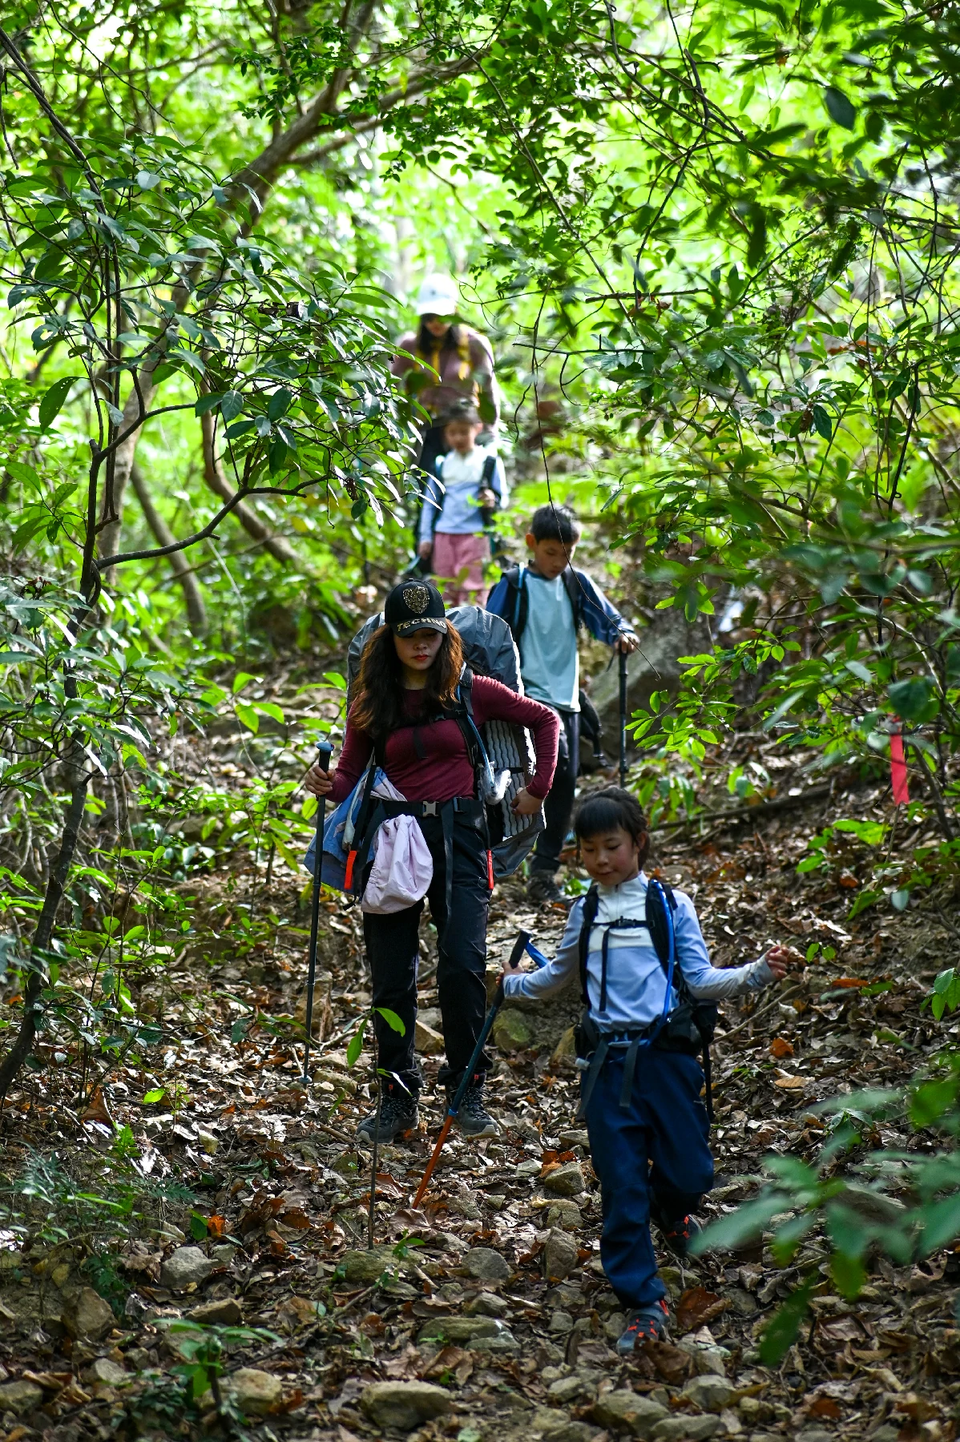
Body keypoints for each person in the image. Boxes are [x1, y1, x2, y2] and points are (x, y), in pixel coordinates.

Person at [501, 787, 798, 1352]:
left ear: (637, 843)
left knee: (691, 1174)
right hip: (607, 1065)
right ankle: (642, 1298)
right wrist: (502, 983)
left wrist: (758, 971)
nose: (600, 860)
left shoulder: (668, 906)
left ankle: (673, 1209)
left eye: (611, 846)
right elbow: (554, 979)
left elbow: (701, 978)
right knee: (620, 1182)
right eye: (588, 850)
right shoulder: (583, 911)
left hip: (666, 1060)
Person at [305, 579, 559, 1144]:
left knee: (461, 965)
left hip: (461, 837)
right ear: (389, 640)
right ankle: (397, 1100)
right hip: (392, 841)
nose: (421, 644)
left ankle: (467, 1089)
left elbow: (545, 721)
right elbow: (350, 772)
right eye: (408, 635)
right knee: (391, 978)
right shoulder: (372, 702)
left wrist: (537, 788)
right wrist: (326, 783)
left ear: (445, 635)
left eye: (430, 633)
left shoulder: (472, 690)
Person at [487, 504, 640, 907]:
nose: (558, 562)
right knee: (540, 777)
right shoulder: (514, 584)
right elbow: (488, 635)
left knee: (564, 779)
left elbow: (608, 621)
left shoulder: (576, 583)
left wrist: (622, 635)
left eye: (566, 553)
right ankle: (517, 865)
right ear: (532, 544)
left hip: (567, 700)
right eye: (551, 552)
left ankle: (542, 871)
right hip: (525, 698)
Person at [391, 274, 500, 484]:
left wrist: (489, 432)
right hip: (428, 430)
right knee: (425, 490)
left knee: (467, 490)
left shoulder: (474, 344)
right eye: (429, 316)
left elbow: (488, 389)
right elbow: (390, 385)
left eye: (441, 316)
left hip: (466, 430)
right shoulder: (409, 346)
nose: (435, 323)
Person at [417, 405, 508, 606]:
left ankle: (471, 637)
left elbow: (502, 499)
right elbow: (429, 504)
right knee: (443, 591)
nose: (458, 438)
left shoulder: (489, 462)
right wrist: (425, 538)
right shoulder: (441, 464)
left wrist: (491, 499)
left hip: (476, 537)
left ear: (477, 428)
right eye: (452, 432)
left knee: (475, 592)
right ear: (445, 434)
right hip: (443, 536)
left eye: (463, 432)